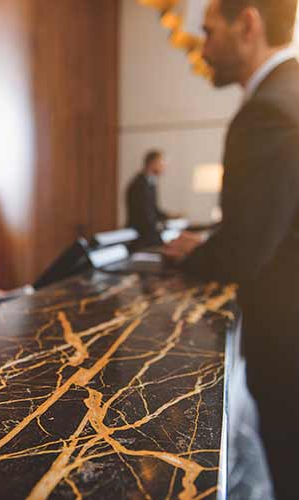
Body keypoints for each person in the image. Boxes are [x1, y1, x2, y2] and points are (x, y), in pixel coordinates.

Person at [163, 1, 299, 498]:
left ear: (249, 24)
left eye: (209, 31)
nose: (203, 48)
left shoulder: (270, 108)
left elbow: (246, 251)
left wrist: (191, 255)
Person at [126, 149, 175, 246]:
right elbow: (144, 217)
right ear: (153, 163)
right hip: (141, 237)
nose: (164, 167)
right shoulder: (139, 184)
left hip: (149, 233)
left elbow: (154, 210)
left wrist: (170, 216)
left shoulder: (151, 183)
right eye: (162, 163)